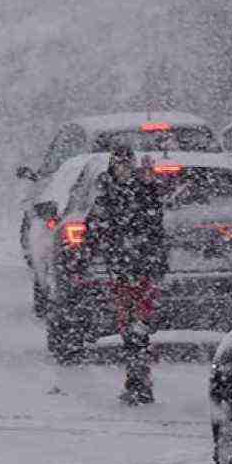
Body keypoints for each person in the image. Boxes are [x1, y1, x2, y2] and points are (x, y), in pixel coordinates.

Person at [88, 145, 168, 403]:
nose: (122, 168)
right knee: (128, 323)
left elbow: (156, 229)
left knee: (139, 323)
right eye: (118, 163)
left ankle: (139, 378)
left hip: (140, 268)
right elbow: (95, 226)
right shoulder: (109, 193)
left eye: (126, 163)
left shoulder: (143, 192)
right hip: (122, 269)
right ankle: (137, 377)